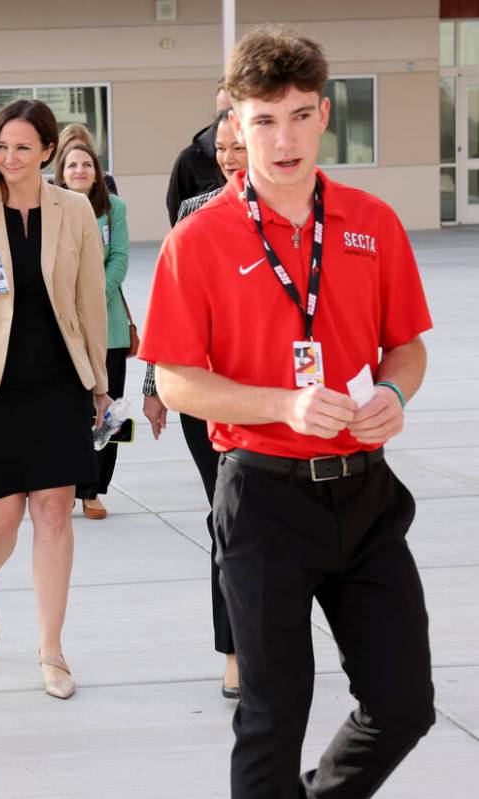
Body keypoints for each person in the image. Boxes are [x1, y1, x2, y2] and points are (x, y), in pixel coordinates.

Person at [140, 26, 436, 796]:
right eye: (264, 119)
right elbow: (174, 379)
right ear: (234, 124)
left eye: (300, 115)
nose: (284, 138)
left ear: (324, 115)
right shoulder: (197, 239)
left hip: (364, 492)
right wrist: (282, 403)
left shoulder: (371, 222)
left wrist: (394, 396)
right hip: (263, 494)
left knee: (403, 704)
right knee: (272, 715)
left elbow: (406, 348)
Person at [0, 99, 110, 700]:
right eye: (1, 147)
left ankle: (52, 650)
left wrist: (100, 387)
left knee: (55, 512)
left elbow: (90, 303)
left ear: (49, 152)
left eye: (23, 148)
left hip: (59, 381)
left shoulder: (76, 209)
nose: (10, 158)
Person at [142, 108, 248, 699]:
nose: (230, 159)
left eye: (240, 147)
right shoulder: (192, 216)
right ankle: (234, 649)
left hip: (278, 396)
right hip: (205, 397)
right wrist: (154, 389)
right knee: (228, 517)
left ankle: (271, 636)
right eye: (223, 149)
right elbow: (168, 309)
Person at [54, 139, 130, 521]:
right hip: (64, 329)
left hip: (109, 326)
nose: (80, 171)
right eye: (72, 166)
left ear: (97, 172)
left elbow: (119, 258)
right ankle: (68, 485)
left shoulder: (114, 209)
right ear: (62, 174)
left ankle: (95, 490)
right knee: (69, 413)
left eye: (86, 164)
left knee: (111, 413)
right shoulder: (53, 211)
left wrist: (91, 295)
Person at [164, 79, 230, 226]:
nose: (229, 119)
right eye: (222, 114)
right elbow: (177, 219)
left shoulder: (263, 156)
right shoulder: (189, 159)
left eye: (235, 112)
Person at [55, 123, 118, 195]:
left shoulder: (107, 183)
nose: (80, 171)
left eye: (82, 148)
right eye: (69, 150)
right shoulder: (49, 189)